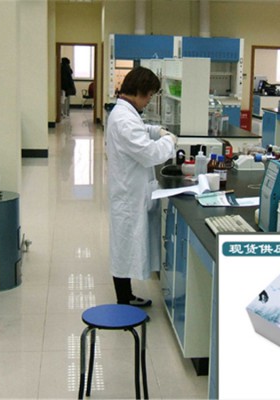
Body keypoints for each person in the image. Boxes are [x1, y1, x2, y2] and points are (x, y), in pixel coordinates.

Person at [106, 66, 177, 306]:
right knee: (124, 245)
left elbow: (140, 130)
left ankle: (126, 296)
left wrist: (157, 130)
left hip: (129, 189)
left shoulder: (124, 113)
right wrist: (169, 141)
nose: (149, 101)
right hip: (128, 194)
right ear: (139, 91)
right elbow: (149, 154)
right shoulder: (124, 119)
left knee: (125, 244)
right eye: (149, 95)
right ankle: (124, 301)